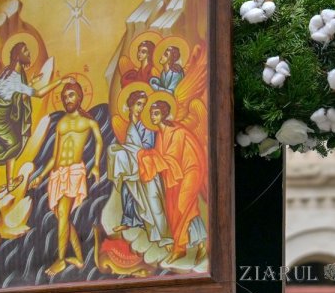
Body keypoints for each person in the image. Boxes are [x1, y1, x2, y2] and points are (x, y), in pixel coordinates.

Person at [27, 80, 103, 276]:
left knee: (63, 213)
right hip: (57, 174)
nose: (67, 99)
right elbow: (54, 156)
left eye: (71, 95)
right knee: (63, 217)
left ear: (79, 97)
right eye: (64, 97)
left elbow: (98, 141)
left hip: (74, 172)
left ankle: (60, 260)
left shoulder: (88, 122)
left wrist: (95, 165)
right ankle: (79, 258)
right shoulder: (61, 123)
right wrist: (41, 176)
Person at [0, 41, 65, 197]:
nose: (29, 54)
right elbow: (38, 94)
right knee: (13, 142)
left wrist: (30, 83)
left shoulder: (11, 71)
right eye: (26, 51)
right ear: (18, 56)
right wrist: (60, 81)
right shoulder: (14, 77)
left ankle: (2, 184)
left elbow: (15, 95)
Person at [137, 99, 208, 265]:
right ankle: (193, 246)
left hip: (191, 170)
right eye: (151, 114)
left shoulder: (176, 131)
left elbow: (170, 158)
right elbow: (164, 162)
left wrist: (147, 156)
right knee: (174, 210)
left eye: (156, 113)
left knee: (184, 206)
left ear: (163, 114)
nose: (153, 117)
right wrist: (148, 157)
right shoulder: (160, 135)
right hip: (176, 174)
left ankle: (187, 247)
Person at [107, 89, 168, 243]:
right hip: (133, 165)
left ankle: (153, 229)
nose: (140, 108)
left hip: (145, 166)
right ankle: (129, 221)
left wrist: (127, 151)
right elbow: (130, 145)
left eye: (143, 105)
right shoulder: (130, 125)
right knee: (127, 190)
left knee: (150, 200)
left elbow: (147, 147)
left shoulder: (146, 126)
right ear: (131, 105)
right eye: (138, 104)